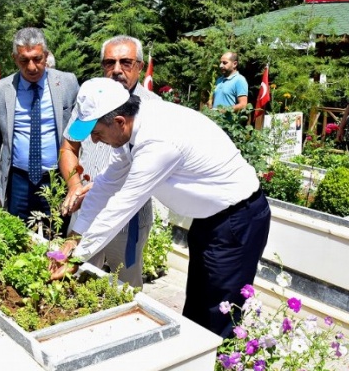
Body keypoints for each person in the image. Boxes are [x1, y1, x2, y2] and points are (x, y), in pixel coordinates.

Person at [51, 77, 271, 338]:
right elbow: (106, 186)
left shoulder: (158, 142)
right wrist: (75, 237)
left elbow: (122, 206)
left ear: (119, 122)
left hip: (237, 221)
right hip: (210, 220)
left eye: (97, 133)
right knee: (197, 306)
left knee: (219, 314)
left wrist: (77, 258)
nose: (95, 142)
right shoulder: (131, 130)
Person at [59, 35, 158, 287]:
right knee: (78, 281)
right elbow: (69, 147)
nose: (116, 70)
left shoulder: (151, 108)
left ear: (139, 65)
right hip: (87, 206)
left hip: (128, 217)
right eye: (108, 63)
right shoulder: (90, 98)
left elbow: (132, 179)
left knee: (125, 285)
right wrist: (74, 186)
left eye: (125, 62)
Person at [0, 27, 79, 222]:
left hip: (57, 177)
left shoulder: (67, 83)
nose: (31, 67)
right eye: (24, 60)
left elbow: (80, 130)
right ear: (15, 59)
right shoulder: (0, 90)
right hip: (18, 180)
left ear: (46, 56)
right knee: (18, 235)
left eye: (37, 59)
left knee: (57, 234)